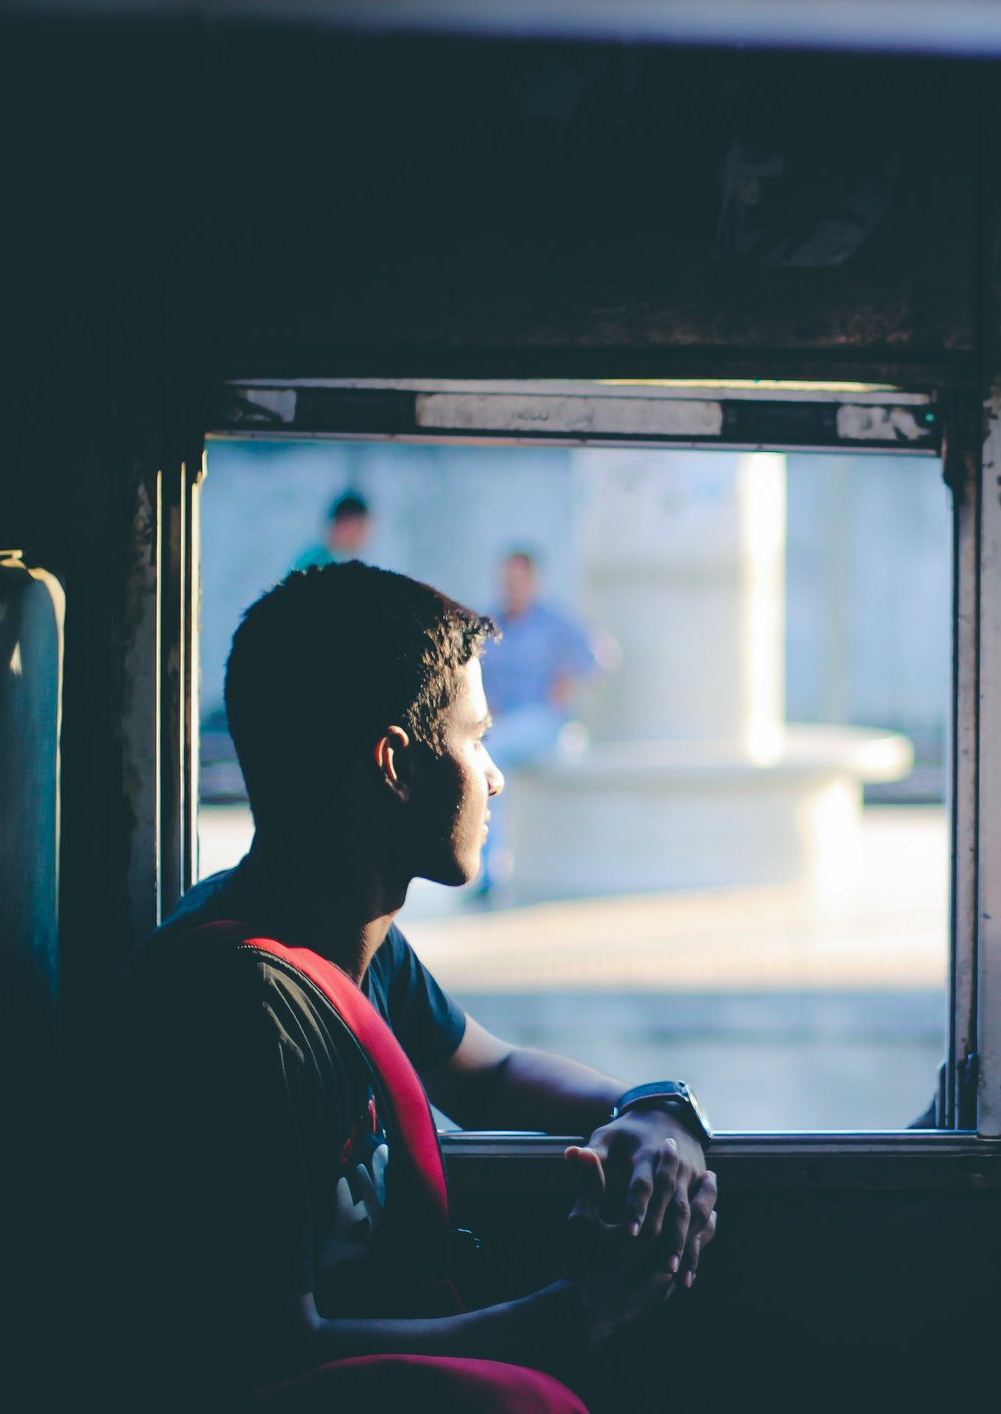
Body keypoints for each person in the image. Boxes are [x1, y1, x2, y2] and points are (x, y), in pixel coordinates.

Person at [88, 562, 716, 1411]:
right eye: (474, 738)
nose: (493, 777)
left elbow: (485, 1074)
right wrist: (572, 1314)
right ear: (395, 764)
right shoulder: (233, 1009)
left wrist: (648, 1110)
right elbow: (273, 1347)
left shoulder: (348, 931)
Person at [476, 549, 606, 891]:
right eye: (508, 581)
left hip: (544, 723)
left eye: (519, 580)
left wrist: (568, 681)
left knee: (491, 754)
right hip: (503, 724)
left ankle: (491, 869)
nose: (513, 588)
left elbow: (599, 656)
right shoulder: (490, 625)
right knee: (488, 750)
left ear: (533, 582)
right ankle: (487, 865)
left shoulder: (553, 622)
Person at [290, 491, 373, 573]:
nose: (362, 535)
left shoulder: (337, 561)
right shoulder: (318, 563)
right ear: (341, 524)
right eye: (359, 527)